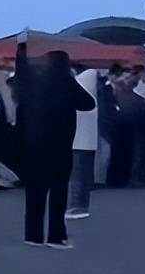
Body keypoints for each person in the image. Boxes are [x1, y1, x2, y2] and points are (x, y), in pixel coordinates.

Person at [14, 36, 94, 246]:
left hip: (33, 143)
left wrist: (21, 48)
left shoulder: (34, 83)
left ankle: (32, 235)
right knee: (59, 189)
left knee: (35, 190)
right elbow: (88, 104)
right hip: (60, 145)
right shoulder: (66, 83)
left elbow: (21, 72)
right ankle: (56, 235)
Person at [65, 66, 100, 219]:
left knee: (77, 176)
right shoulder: (90, 88)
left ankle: (76, 206)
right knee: (83, 175)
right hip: (86, 139)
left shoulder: (85, 81)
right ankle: (81, 205)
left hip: (77, 139)